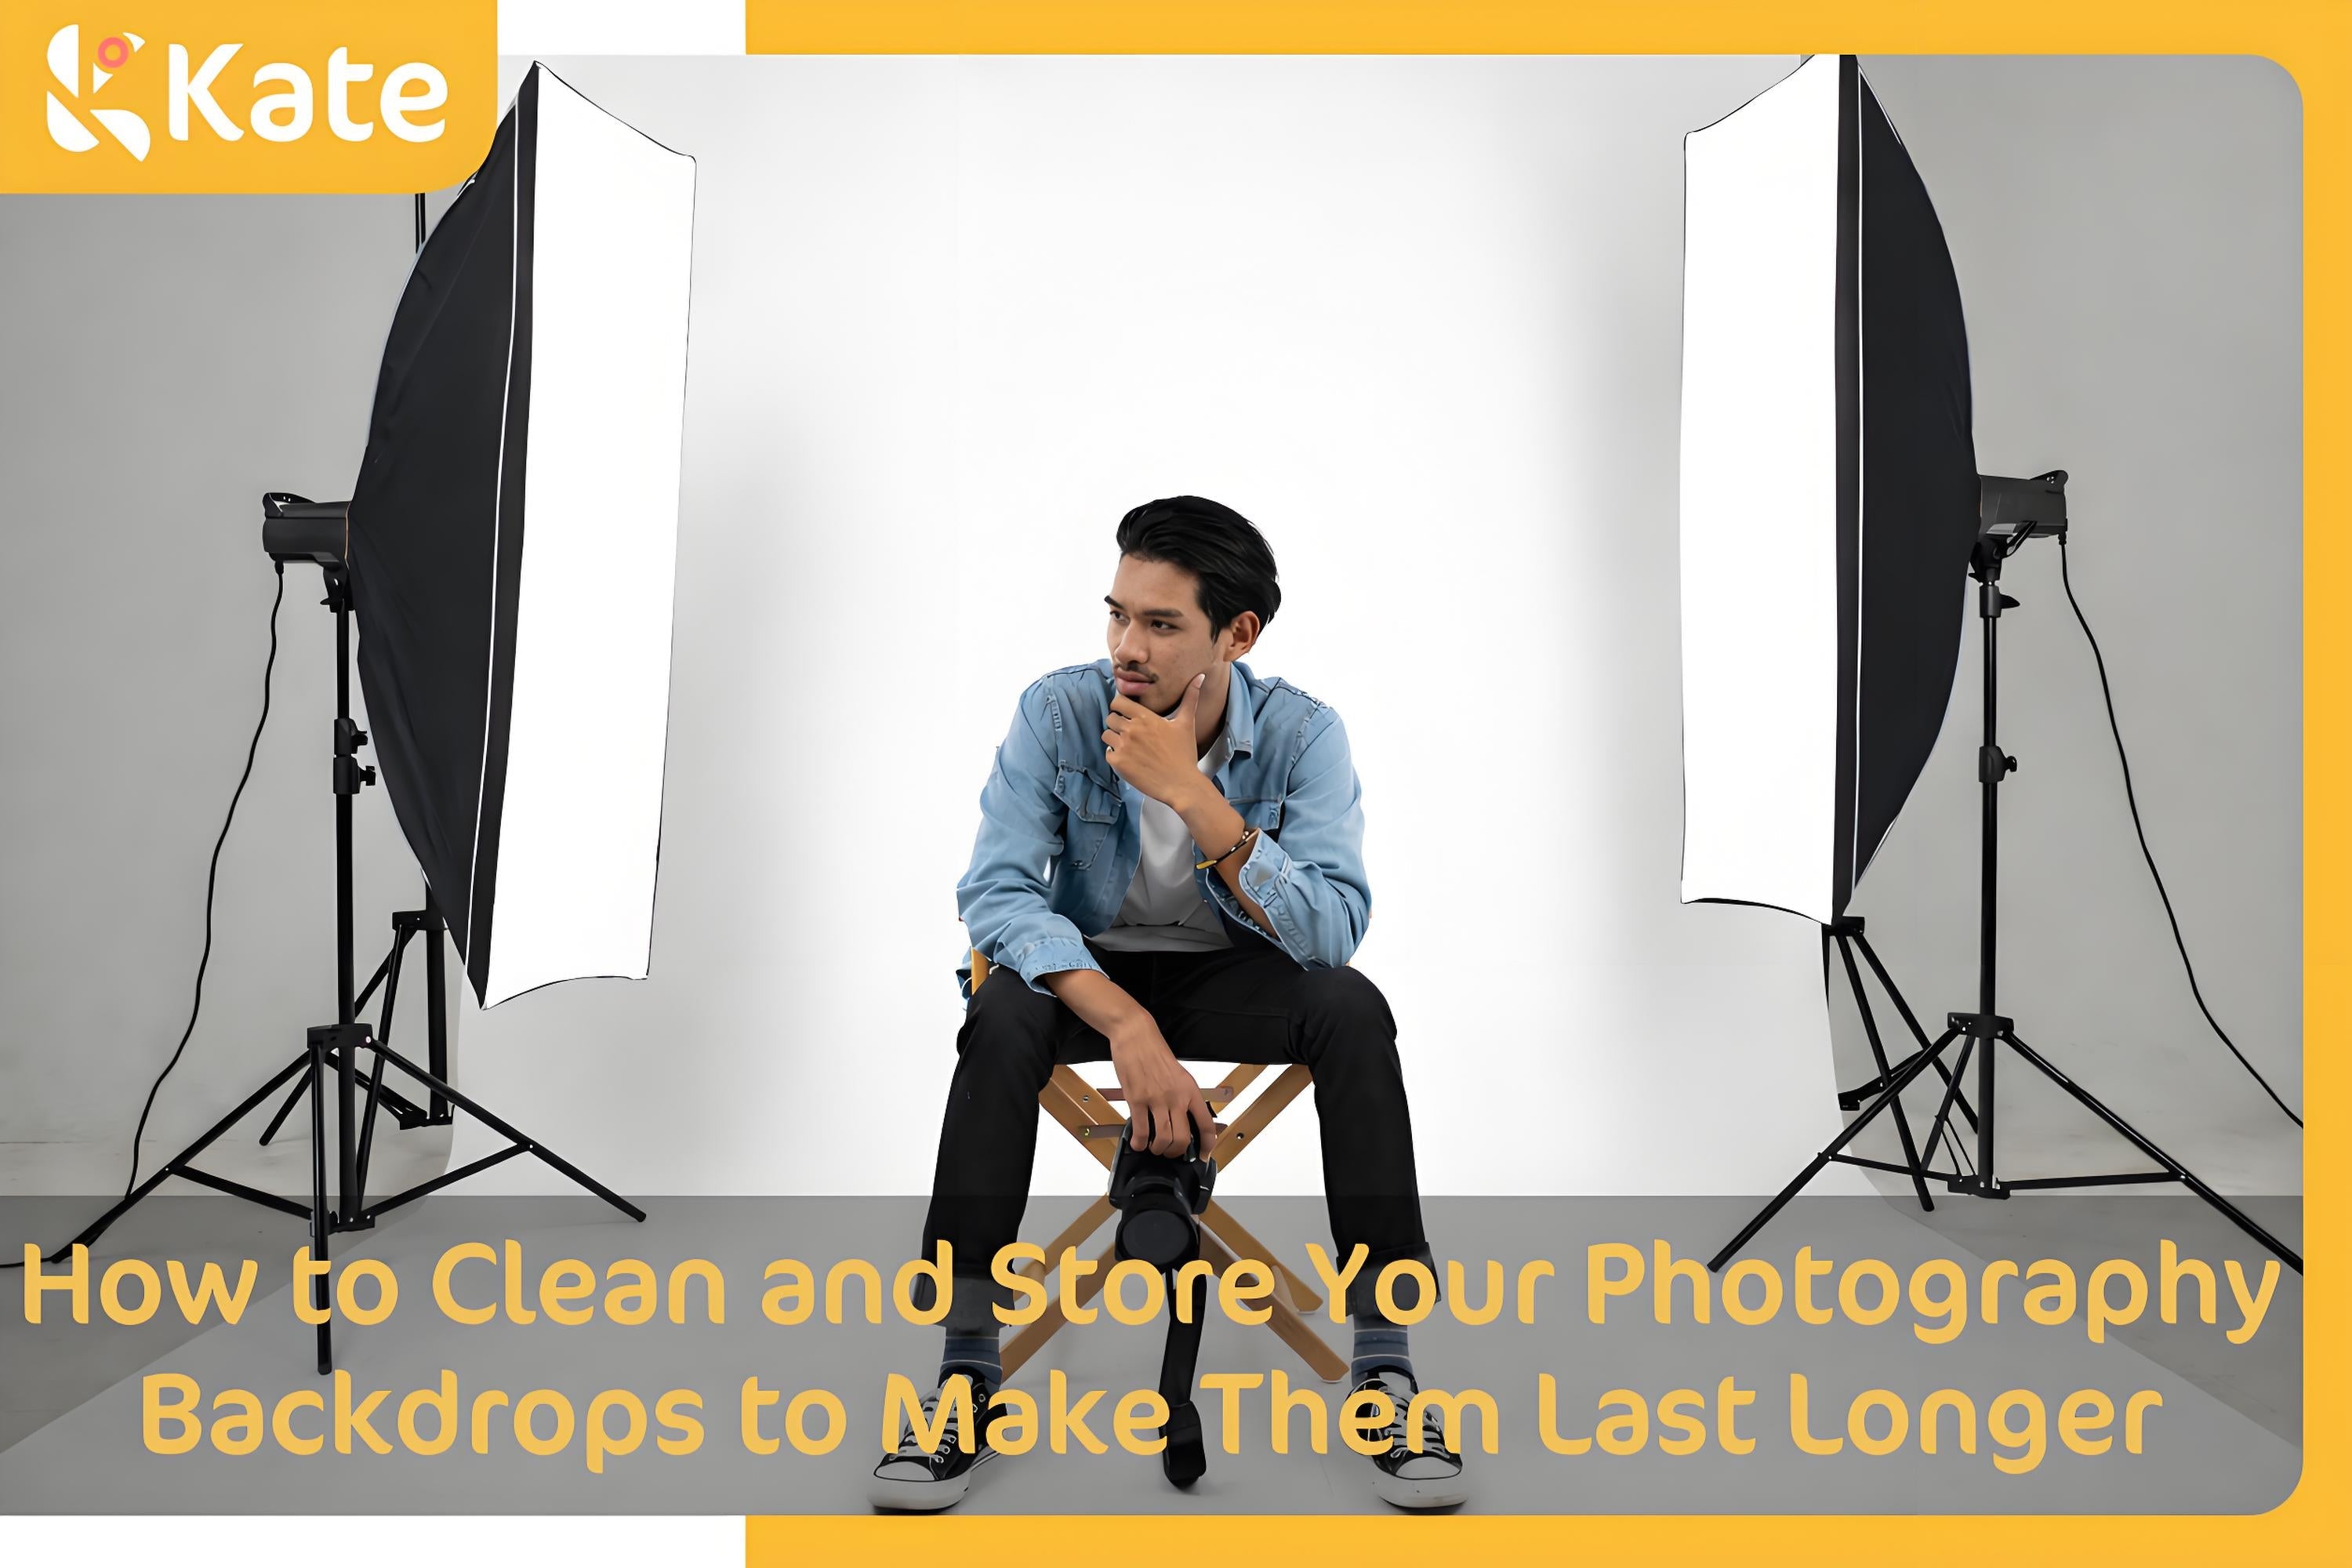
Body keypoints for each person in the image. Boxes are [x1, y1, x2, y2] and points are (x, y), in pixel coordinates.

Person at [868, 495, 1465, 1512]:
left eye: (1160, 623)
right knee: (999, 1016)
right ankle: (965, 1369)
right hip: (1090, 971)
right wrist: (1125, 1024)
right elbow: (997, 893)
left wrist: (1195, 795)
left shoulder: (1305, 735)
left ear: (1238, 635)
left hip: (1233, 972)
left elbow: (1330, 932)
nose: (1126, 648)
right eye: (1117, 615)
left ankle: (1385, 1366)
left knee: (1353, 1009)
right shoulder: (1058, 711)